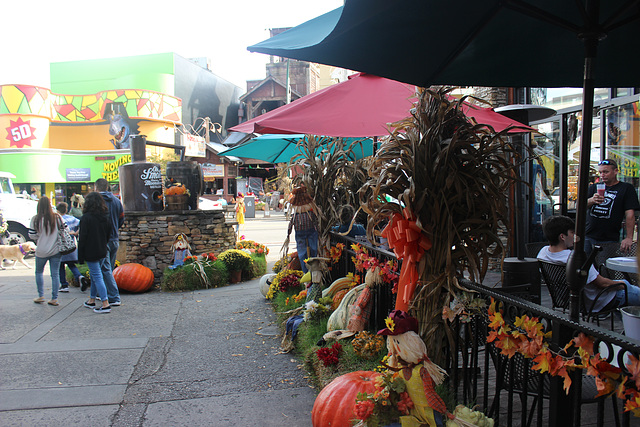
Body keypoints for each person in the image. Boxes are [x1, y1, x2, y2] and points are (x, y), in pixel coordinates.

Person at [537, 215, 640, 313]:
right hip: (598, 301)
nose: (574, 236)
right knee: (627, 287)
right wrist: (623, 284)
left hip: (569, 303)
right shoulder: (576, 259)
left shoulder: (543, 253)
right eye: (572, 233)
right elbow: (602, 284)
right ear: (562, 237)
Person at [585, 158, 640, 255]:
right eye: (600, 172)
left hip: (608, 239)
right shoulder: (594, 187)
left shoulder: (626, 188)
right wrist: (591, 200)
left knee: (603, 267)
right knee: (583, 267)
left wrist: (629, 238)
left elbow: (630, 215)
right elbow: (579, 206)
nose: (602, 175)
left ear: (615, 171)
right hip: (588, 235)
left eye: (606, 172)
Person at [78, 192, 112, 313]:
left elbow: (82, 238)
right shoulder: (105, 217)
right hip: (102, 249)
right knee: (95, 276)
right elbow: (108, 234)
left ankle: (105, 303)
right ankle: (92, 300)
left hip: (90, 251)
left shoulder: (86, 218)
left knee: (97, 276)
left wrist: (80, 256)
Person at [29, 197, 63, 306]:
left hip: (41, 251)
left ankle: (41, 295)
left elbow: (32, 235)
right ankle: (54, 298)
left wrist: (40, 237)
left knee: (39, 272)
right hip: (56, 250)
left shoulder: (35, 219)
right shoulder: (57, 217)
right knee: (55, 274)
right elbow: (64, 229)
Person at [95, 178, 123, 306]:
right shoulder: (117, 201)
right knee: (108, 269)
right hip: (114, 239)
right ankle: (101, 293)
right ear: (107, 187)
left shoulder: (95, 202)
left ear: (96, 187)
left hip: (102, 239)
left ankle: (113, 296)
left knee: (104, 269)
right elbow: (122, 219)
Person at [288, 186, 318, 273]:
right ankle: (313, 269)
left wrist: (288, 234)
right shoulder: (310, 212)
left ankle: (306, 271)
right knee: (314, 249)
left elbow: (291, 224)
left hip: (300, 232)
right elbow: (316, 222)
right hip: (311, 231)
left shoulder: (296, 215)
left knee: (302, 252)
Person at [56, 202, 82, 292]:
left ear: (57, 210)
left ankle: (64, 285)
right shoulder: (72, 218)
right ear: (66, 210)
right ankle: (79, 276)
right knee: (71, 264)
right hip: (71, 244)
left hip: (60, 244)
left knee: (61, 265)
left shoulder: (57, 219)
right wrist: (75, 233)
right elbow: (81, 224)